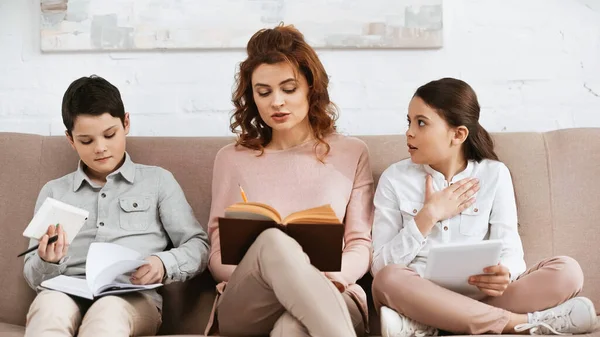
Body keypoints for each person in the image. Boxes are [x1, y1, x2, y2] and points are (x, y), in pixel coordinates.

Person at [371, 77, 597, 336]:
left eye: (421, 122)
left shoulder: (494, 174)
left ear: (458, 134)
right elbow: (380, 266)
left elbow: (511, 251)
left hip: (481, 295)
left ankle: (430, 325)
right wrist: (429, 215)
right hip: (418, 293)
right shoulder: (394, 178)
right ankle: (522, 323)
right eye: (409, 121)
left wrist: (506, 273)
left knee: (567, 272)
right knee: (388, 280)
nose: (409, 132)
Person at [205, 24, 374, 336]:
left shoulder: (352, 152)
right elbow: (217, 252)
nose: (277, 102)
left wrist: (325, 280)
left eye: (289, 88)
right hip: (249, 303)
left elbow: (360, 242)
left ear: (311, 87)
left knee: (292, 327)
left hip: (332, 288)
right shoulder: (231, 158)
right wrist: (271, 275)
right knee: (272, 241)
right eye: (264, 92)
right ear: (252, 97)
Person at [23, 75, 210, 337]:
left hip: (130, 298)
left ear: (126, 123)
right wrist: (46, 260)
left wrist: (163, 263)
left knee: (107, 315)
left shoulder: (157, 181)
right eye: (86, 141)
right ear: (70, 139)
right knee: (48, 307)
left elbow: (198, 245)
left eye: (110, 135)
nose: (100, 148)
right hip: (67, 291)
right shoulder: (55, 192)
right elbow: (33, 276)